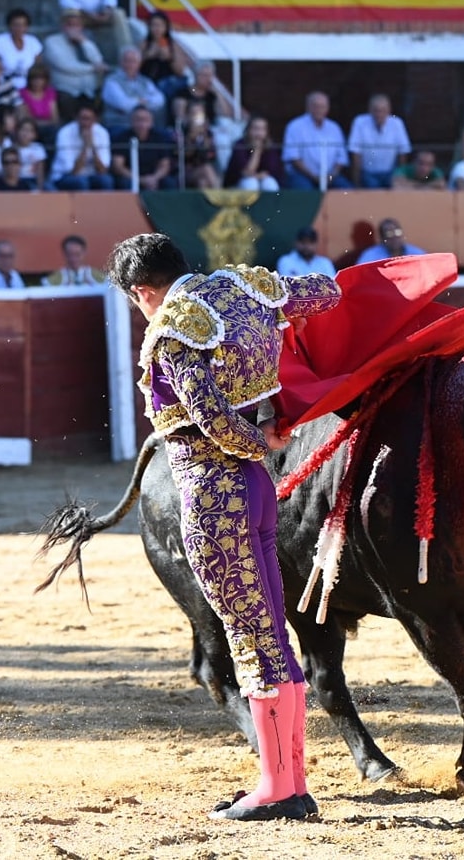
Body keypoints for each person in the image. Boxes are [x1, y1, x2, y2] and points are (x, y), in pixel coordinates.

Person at [105, 232, 341, 822]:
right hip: (260, 491)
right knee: (270, 633)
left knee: (250, 638)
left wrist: (257, 439)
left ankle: (277, 787)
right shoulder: (246, 286)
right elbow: (327, 291)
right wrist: (267, 437)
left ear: (143, 292)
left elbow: (208, 415)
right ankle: (290, 781)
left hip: (214, 494)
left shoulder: (171, 330)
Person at [43, 9, 109, 122]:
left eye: (77, 25)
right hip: (66, 90)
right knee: (66, 102)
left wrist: (83, 42)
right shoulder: (52, 42)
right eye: (70, 24)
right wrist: (92, 68)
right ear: (63, 26)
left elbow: (98, 60)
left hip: (88, 90)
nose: (73, 28)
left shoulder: (86, 41)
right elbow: (65, 66)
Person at [281, 91, 350, 190]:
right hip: (302, 175)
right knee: (306, 195)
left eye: (323, 106)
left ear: (328, 108)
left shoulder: (334, 128)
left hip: (330, 176)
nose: (319, 110)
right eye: (316, 106)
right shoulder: (295, 126)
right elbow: (293, 158)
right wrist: (314, 177)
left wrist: (330, 177)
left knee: (347, 191)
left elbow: (342, 158)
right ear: (308, 107)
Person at [347, 93, 411, 189]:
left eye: (383, 110)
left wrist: (400, 177)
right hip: (368, 172)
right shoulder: (359, 122)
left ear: (389, 110)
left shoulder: (397, 123)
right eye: (376, 110)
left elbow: (403, 152)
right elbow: (355, 153)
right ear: (370, 110)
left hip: (390, 172)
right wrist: (356, 182)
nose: (379, 114)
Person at [101, 45, 166, 134]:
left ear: (139, 64)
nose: (130, 65)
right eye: (127, 61)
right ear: (121, 62)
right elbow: (123, 104)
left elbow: (160, 100)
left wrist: (135, 102)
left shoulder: (145, 81)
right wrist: (142, 101)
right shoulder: (111, 81)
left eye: (133, 61)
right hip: (120, 125)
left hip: (145, 128)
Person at [110, 104, 176, 190]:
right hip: (131, 177)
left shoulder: (160, 138)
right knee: (125, 183)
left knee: (169, 182)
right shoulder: (122, 138)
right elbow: (118, 166)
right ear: (131, 121)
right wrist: (139, 180)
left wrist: (154, 178)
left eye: (145, 120)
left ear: (151, 122)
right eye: (138, 120)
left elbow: (165, 165)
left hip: (154, 177)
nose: (142, 124)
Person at [49, 102, 113, 191]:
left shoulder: (102, 133)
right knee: (81, 181)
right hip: (64, 176)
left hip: (91, 175)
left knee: (106, 180)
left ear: (95, 120)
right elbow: (73, 171)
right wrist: (85, 147)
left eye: (89, 119)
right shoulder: (65, 133)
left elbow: (103, 170)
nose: (85, 123)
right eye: (83, 119)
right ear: (76, 118)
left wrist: (93, 147)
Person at [58, 0, 133, 66]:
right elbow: (66, 1)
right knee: (71, 13)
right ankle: (77, 57)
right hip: (81, 14)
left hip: (101, 13)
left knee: (118, 13)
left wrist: (107, 10)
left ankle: (128, 53)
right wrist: (88, 13)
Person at [223, 114, 283, 191]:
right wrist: (256, 151)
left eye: (262, 129)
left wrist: (257, 176)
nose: (259, 133)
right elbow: (246, 172)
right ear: (248, 130)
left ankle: (270, 203)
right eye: (255, 129)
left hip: (261, 181)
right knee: (251, 183)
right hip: (236, 186)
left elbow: (271, 171)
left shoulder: (270, 147)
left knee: (269, 183)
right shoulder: (240, 145)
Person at [139, 10, 189, 101]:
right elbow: (133, 68)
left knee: (188, 88)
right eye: (154, 25)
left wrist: (169, 58)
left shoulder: (173, 45)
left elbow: (180, 72)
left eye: (160, 25)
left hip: (169, 82)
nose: (157, 29)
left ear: (166, 27)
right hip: (148, 82)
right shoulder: (144, 44)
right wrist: (148, 55)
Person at [0, 7, 43, 90]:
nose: (20, 28)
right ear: (9, 25)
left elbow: (38, 68)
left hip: (29, 88)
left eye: (23, 25)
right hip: (4, 87)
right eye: (16, 25)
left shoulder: (33, 42)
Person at [180, 98, 221, 189]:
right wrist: (191, 138)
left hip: (205, 172)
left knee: (202, 182)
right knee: (206, 169)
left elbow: (211, 156)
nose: (197, 118)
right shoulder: (181, 133)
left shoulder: (208, 134)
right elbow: (184, 156)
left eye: (200, 114)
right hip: (185, 172)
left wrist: (204, 138)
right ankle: (221, 198)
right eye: (194, 114)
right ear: (187, 116)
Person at [18, 63, 60, 145]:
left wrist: (42, 123)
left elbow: (55, 118)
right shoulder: (22, 93)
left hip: (48, 129)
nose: (37, 82)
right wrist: (42, 123)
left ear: (45, 80)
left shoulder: (50, 93)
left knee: (53, 130)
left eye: (41, 79)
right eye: (34, 79)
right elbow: (25, 118)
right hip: (30, 128)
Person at [41, 234, 106, 285]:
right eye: (70, 254)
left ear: (84, 253)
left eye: (77, 254)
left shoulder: (99, 277)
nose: (73, 259)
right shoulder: (52, 280)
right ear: (64, 254)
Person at [356, 217, 426, 264]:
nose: (394, 237)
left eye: (397, 232)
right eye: (389, 234)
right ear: (382, 238)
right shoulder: (370, 256)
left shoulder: (416, 253)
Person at [10, 117, 47, 189]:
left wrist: (39, 188)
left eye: (29, 131)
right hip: (18, 180)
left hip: (33, 179)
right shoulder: (11, 148)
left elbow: (40, 171)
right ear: (17, 132)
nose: (25, 134)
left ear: (34, 134)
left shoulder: (38, 148)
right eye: (23, 130)